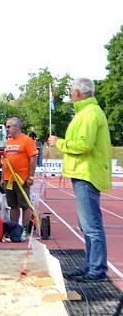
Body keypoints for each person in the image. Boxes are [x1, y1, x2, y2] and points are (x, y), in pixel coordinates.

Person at [48, 78, 112, 282]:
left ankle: (97, 269)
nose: (69, 94)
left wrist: (60, 143)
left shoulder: (89, 113)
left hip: (87, 173)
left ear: (79, 93)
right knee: (87, 225)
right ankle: (91, 266)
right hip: (84, 172)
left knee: (91, 225)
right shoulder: (87, 112)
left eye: (71, 90)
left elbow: (84, 145)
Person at [2, 117, 38, 229]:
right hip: (9, 179)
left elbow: (33, 159)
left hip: (21, 179)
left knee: (25, 205)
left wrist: (30, 176)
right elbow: (5, 160)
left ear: (17, 126)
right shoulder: (8, 141)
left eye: (9, 126)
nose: (7, 129)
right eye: (6, 126)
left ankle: (25, 229)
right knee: (12, 205)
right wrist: (3, 177)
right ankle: (14, 227)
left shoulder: (27, 140)